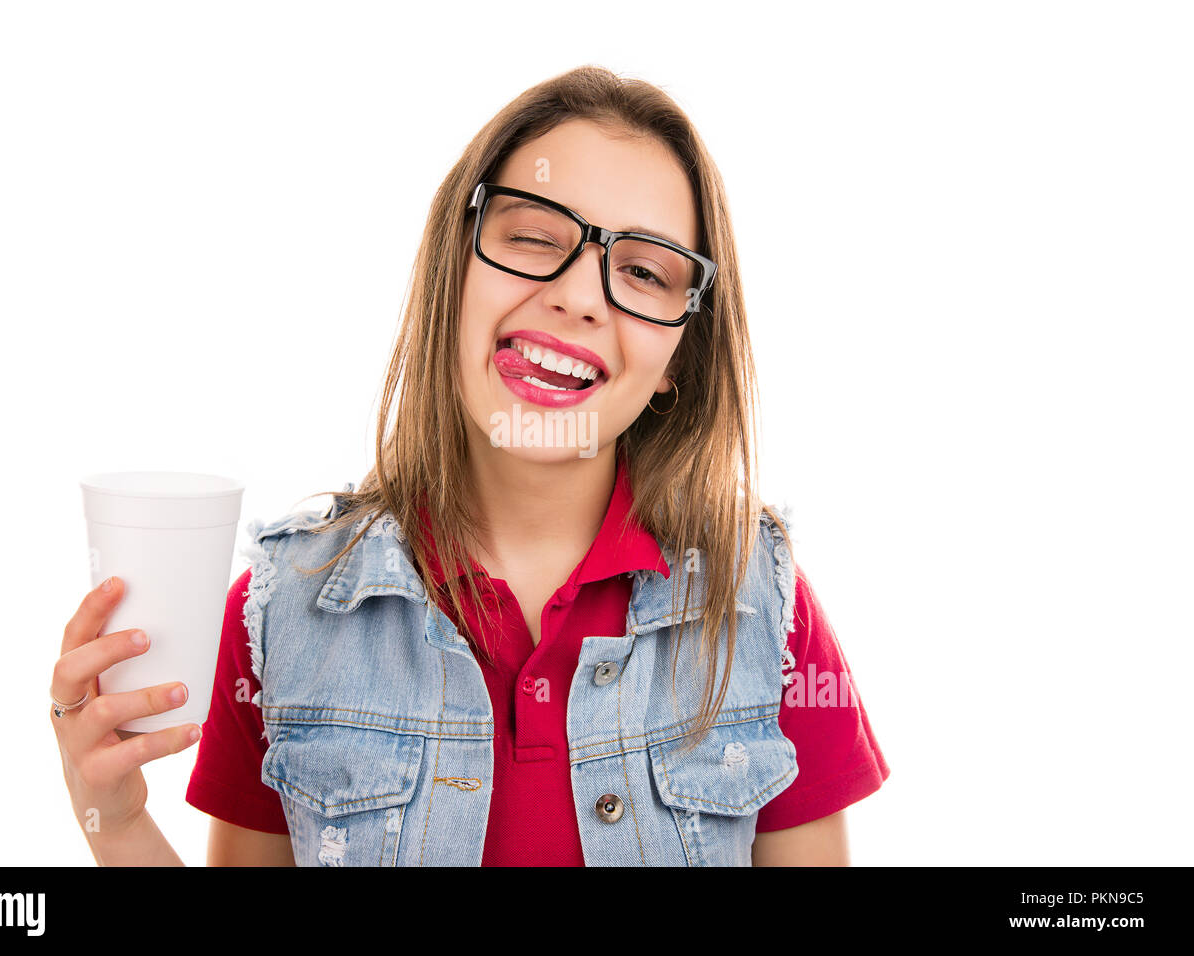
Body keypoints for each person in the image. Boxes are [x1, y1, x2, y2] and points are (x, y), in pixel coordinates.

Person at [52, 65, 889, 866]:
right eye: (533, 237)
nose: (580, 296)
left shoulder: (758, 604)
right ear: (454, 266)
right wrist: (115, 824)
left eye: (642, 271)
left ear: (678, 353)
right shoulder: (283, 610)